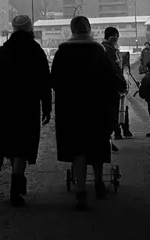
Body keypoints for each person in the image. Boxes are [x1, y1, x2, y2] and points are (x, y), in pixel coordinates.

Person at [51, 16, 122, 210]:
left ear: (72, 30)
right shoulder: (98, 51)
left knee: (78, 149)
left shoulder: (63, 52)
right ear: (89, 29)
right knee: (97, 144)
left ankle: (81, 191)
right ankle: (99, 183)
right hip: (97, 107)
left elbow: (54, 81)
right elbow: (110, 80)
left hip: (71, 109)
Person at [0, 14, 52, 207]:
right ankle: (16, 187)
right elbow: (44, 81)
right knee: (23, 147)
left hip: (6, 107)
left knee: (12, 144)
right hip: (28, 107)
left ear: (14, 30)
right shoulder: (36, 51)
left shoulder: (4, 51)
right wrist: (46, 106)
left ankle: (17, 181)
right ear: (30, 29)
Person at [101, 27, 132, 141]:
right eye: (114, 36)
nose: (116, 38)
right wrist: (119, 80)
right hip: (112, 84)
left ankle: (124, 130)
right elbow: (112, 69)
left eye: (117, 36)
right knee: (115, 109)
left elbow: (119, 66)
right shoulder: (105, 49)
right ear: (108, 37)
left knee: (122, 107)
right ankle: (117, 132)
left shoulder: (114, 49)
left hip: (118, 82)